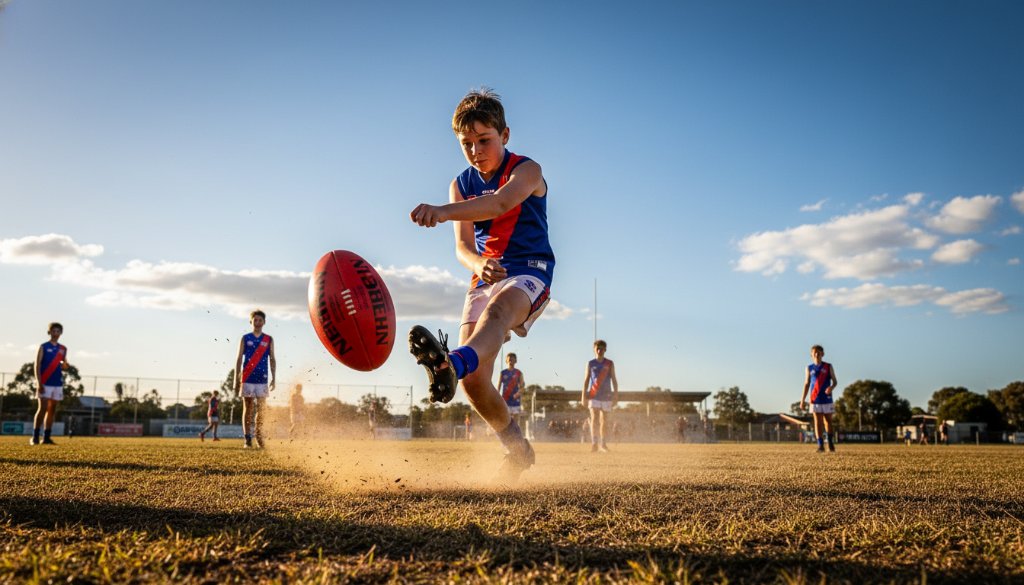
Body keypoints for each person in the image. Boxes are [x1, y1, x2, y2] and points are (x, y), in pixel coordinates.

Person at [408, 88, 553, 483]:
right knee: (473, 382)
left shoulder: (527, 170)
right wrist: (478, 263)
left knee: (499, 314)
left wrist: (440, 212)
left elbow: (501, 204)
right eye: (466, 144)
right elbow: (462, 248)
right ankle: (517, 448)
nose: (475, 150)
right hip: (483, 277)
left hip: (529, 270)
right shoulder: (461, 183)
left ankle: (448, 362)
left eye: (483, 140)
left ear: (505, 135)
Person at [234, 309, 276, 449]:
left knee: (262, 409)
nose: (257, 322)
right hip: (247, 378)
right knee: (248, 408)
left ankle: (259, 436)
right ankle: (247, 439)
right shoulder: (245, 338)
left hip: (262, 379)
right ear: (251, 321)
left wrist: (274, 378)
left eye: (260, 320)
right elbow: (239, 358)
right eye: (255, 320)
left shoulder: (268, 339)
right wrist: (236, 379)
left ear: (264, 322)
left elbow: (272, 359)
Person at [32, 322, 69, 446]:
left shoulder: (63, 349)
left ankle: (46, 437)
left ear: (60, 333)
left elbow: (64, 366)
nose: (56, 333)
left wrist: (65, 365)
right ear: (50, 332)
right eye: (54, 331)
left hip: (57, 383)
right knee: (42, 408)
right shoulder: (43, 346)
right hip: (45, 382)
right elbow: (37, 365)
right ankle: (35, 436)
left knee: (52, 410)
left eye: (58, 331)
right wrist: (39, 382)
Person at [581, 339, 619, 452]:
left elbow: (614, 380)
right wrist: (583, 396)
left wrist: (616, 395)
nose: (599, 350)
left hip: (606, 395)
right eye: (597, 348)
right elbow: (586, 380)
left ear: (605, 350)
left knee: (604, 420)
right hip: (594, 395)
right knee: (594, 419)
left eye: (601, 348)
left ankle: (603, 443)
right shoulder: (590, 363)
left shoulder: (610, 363)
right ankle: (594, 443)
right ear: (594, 349)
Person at [800, 344, 838, 453]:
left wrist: (831, 387)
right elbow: (806, 384)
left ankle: (830, 443)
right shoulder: (809, 368)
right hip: (814, 399)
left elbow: (835, 381)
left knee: (828, 421)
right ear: (811, 354)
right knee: (817, 422)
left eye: (819, 352)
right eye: (814, 352)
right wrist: (802, 400)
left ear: (823, 354)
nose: (817, 354)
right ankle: (820, 445)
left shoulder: (828, 366)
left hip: (826, 398)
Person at [497, 353, 526, 433]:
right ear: (506, 360)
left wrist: (518, 393)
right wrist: (496, 397)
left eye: (512, 359)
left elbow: (522, 387)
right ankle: (507, 438)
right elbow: (498, 386)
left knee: (516, 421)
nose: (511, 361)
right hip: (505, 400)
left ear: (516, 361)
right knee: (506, 420)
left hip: (515, 401)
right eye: (509, 359)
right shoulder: (502, 373)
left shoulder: (519, 373)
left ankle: (516, 438)